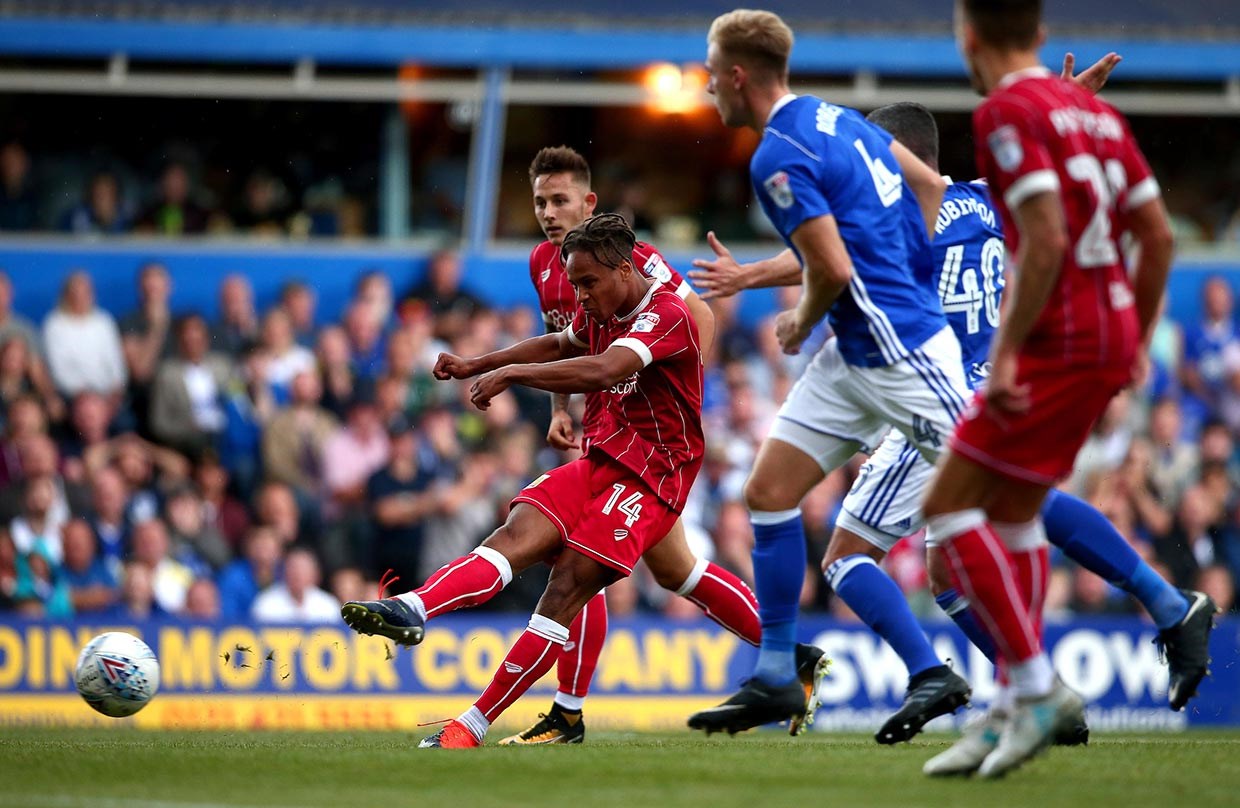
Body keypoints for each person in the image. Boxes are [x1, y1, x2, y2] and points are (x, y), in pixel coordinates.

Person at [693, 91, 1210, 743]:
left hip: (924, 389)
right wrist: (1070, 103)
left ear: (896, 157)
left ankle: (1145, 615)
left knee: (849, 554)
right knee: (950, 566)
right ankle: (1060, 678)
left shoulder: (904, 207)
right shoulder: (983, 200)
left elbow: (834, 257)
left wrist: (765, 291)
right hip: (980, 383)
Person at [919, 0, 1188, 778]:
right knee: (1012, 510)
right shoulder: (1085, 112)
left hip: (1057, 338)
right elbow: (1159, 236)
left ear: (968, 35)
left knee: (947, 509)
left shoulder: (1006, 111)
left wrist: (1005, 352)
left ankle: (1033, 689)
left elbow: (1044, 237)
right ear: (1039, 32)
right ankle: (1016, 698)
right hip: (1105, 332)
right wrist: (1134, 334)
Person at [686, 9, 971, 738]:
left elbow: (834, 268)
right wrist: (901, 267)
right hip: (855, 353)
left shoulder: (775, 155)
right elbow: (929, 191)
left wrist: (801, 318)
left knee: (1001, 486)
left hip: (900, 347)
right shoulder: (836, 119)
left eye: (711, 68)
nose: (707, 81)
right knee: (768, 491)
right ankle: (779, 675)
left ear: (738, 75)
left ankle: (1163, 606)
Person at [339, 214, 706, 748]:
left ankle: (472, 724)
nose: (579, 296)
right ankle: (411, 608)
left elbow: (602, 370)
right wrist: (475, 363)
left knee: (569, 585)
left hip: (654, 477)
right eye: (575, 283)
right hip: (603, 459)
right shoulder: (604, 306)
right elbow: (559, 345)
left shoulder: (667, 312)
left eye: (587, 283)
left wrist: (512, 376)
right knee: (514, 533)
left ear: (624, 270)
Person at [499, 146, 815, 746]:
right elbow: (563, 343)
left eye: (559, 200)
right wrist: (560, 409)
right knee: (678, 572)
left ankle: (566, 714)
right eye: (539, 201)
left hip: (653, 443)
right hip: (606, 429)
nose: (546, 211)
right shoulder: (546, 262)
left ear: (587, 201)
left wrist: (685, 403)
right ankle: (791, 656)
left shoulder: (631, 259)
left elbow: (695, 316)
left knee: (579, 560)